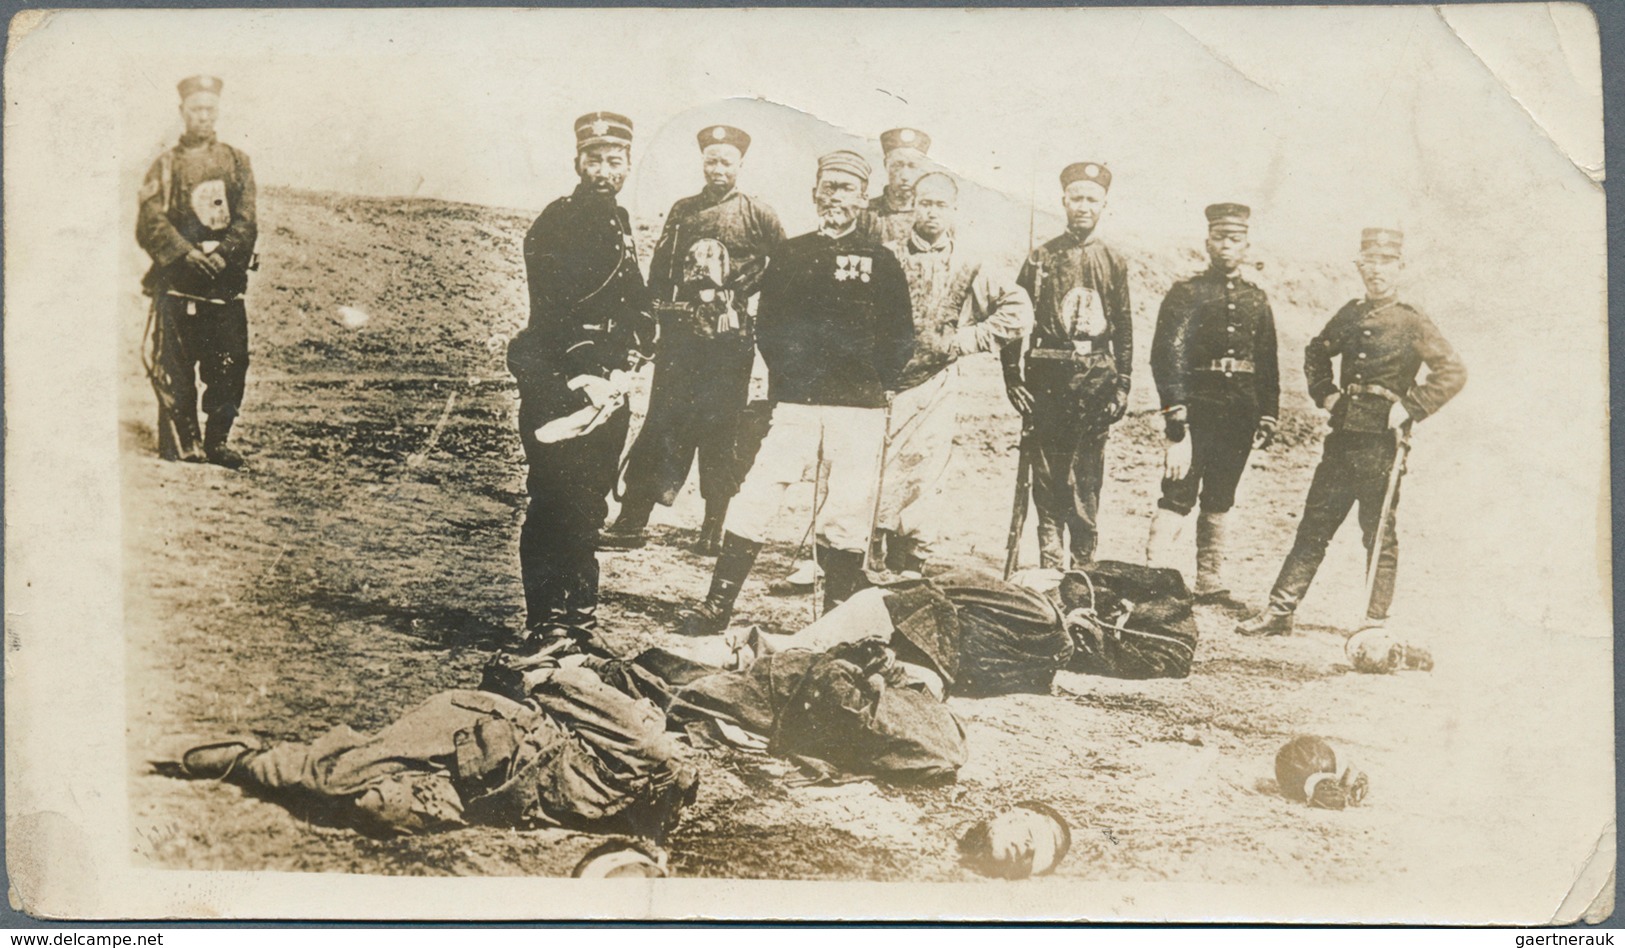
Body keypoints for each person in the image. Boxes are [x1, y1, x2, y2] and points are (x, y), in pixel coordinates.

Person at [675, 150, 914, 635]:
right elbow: (771, 326)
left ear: (864, 198)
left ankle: (835, 619)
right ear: (814, 194)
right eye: (828, 187)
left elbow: (900, 335)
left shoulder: (882, 261)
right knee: (759, 492)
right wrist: (791, 379)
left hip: (859, 407)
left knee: (848, 507)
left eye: (846, 189)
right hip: (798, 402)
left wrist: (874, 380)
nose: (836, 198)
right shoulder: (792, 253)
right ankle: (717, 605)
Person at [1236, 227, 1466, 636]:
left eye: (1385, 262)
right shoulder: (1352, 312)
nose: (1376, 271)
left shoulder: (1412, 320)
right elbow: (1316, 352)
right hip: (1342, 436)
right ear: (1360, 266)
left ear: (1400, 266)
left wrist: (1409, 407)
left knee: (1378, 533)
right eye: (1369, 262)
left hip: (1382, 443)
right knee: (1315, 524)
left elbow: (1452, 372)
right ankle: (1280, 609)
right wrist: (1326, 396)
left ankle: (1374, 622)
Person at [173, 664, 698, 840]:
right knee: (334, 779)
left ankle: (380, 782)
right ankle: (245, 758)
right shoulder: (642, 744)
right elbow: (569, 683)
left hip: (475, 788)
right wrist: (537, 676)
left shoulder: (626, 814)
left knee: (377, 809)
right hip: (477, 727)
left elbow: (540, 809)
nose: (672, 795)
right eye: (677, 781)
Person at [601, 124, 786, 554]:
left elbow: (787, 268)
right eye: (711, 161)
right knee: (662, 422)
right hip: (681, 339)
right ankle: (632, 521)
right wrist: (651, 321)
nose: (718, 169)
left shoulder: (758, 213)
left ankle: (714, 527)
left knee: (721, 429)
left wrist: (743, 294)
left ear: (740, 165)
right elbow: (660, 268)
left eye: (726, 162)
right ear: (702, 163)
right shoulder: (683, 210)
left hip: (729, 343)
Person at [506, 112, 653, 643]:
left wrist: (647, 328)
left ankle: (580, 619)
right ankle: (544, 620)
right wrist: (587, 366)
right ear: (577, 162)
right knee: (553, 497)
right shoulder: (558, 219)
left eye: (615, 162)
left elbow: (630, 293)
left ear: (628, 167)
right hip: (557, 378)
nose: (604, 170)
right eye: (594, 160)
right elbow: (554, 307)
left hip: (608, 383)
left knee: (590, 500)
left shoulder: (618, 220)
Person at [874, 171, 1032, 575]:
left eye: (940, 205)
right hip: (883, 385)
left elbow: (1018, 309)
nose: (931, 212)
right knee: (879, 468)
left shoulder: (969, 264)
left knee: (925, 467)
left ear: (954, 211)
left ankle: (913, 557)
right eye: (924, 203)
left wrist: (966, 341)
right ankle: (871, 552)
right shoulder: (887, 255)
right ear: (913, 207)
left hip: (936, 384)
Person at [1144, 203, 1280, 601]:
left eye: (1235, 239)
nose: (1226, 246)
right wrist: (1176, 415)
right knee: (1178, 491)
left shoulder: (1257, 299)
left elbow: (1268, 362)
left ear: (1246, 245)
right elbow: (1166, 358)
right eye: (1220, 238)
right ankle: (1155, 578)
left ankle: (1210, 580)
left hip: (1239, 413)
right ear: (1208, 243)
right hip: (1196, 411)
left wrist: (1267, 414)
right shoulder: (1186, 293)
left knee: (1222, 495)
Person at [1001, 162, 1133, 569]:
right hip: (1048, 376)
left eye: (1092, 199)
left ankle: (1083, 558)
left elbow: (1124, 325)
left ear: (1104, 205)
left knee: (1087, 472)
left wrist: (1123, 382)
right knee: (1046, 468)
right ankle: (1050, 553)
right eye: (1076, 198)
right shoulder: (1041, 258)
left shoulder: (1113, 260)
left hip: (1096, 377)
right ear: (1064, 201)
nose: (1083, 206)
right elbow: (1014, 316)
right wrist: (1012, 376)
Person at [136, 75, 258, 469]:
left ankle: (218, 442)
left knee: (229, 362)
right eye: (195, 110)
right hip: (178, 285)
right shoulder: (166, 165)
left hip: (223, 286)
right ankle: (183, 443)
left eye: (209, 110)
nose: (203, 117)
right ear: (182, 113)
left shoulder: (237, 161)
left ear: (217, 112)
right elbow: (151, 222)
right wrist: (186, 254)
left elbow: (246, 220)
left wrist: (224, 255)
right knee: (176, 366)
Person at [859, 127, 931, 247]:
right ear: (886, 165)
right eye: (898, 165)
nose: (905, 176)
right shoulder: (865, 214)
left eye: (912, 166)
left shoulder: (930, 215)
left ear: (922, 170)